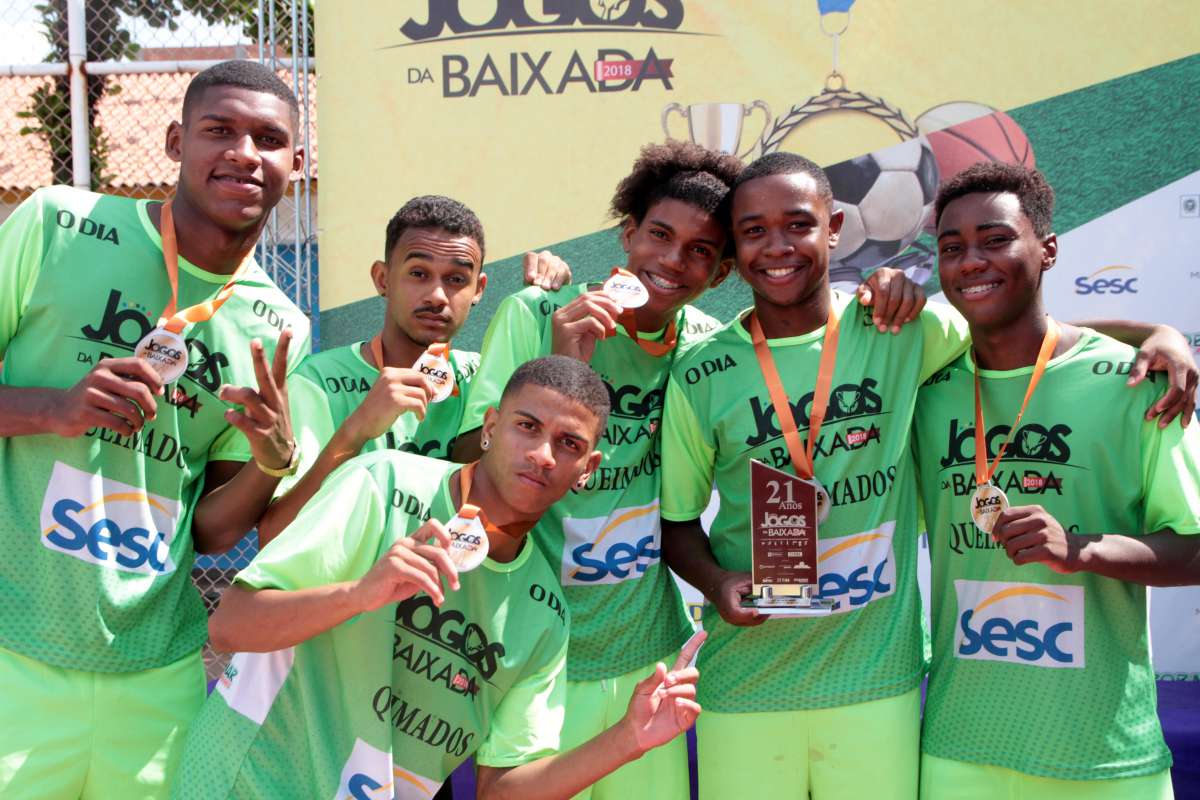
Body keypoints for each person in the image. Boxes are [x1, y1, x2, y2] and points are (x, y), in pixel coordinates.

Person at [659, 152, 1197, 800]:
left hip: (879, 685)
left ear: (834, 228)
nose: (778, 246)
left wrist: (1155, 333)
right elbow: (676, 519)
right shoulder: (701, 369)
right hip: (748, 680)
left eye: (798, 224)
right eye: (754, 230)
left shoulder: (901, 330)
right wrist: (716, 582)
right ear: (734, 246)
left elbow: (1019, 328)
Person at [454, 139, 924, 800]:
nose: (673, 260)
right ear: (628, 234)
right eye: (659, 235)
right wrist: (562, 368)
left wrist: (886, 287)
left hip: (648, 653)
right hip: (538, 645)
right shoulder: (536, 315)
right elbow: (463, 465)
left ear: (722, 270)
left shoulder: (705, 348)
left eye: (700, 250)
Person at [172, 355, 705, 800]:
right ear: (490, 428)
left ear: (588, 468)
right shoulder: (384, 482)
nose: (543, 455)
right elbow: (230, 626)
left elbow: (500, 790)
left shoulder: (544, 614)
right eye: (527, 426)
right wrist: (359, 594)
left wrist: (626, 738)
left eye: (569, 444)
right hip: (244, 785)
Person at [0, 60, 311, 799]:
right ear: (175, 141)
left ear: (295, 164)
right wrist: (53, 409)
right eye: (219, 130)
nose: (244, 153)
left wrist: (272, 461)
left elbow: (211, 532)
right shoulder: (56, 224)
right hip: (14, 647)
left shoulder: (279, 326)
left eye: (269, 140)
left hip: (156, 672)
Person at [911, 162, 1200, 799]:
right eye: (952, 247)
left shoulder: (1134, 382)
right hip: (960, 747)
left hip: (1103, 754)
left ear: (1047, 249)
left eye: (995, 239)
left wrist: (1081, 548)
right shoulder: (925, 390)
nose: (971, 261)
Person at [256, 195, 571, 544]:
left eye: (456, 279)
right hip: (354, 581)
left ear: (478, 289)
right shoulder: (318, 382)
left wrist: (548, 297)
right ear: (382, 279)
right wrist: (357, 429)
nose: (437, 295)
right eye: (419, 274)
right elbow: (274, 535)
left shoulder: (482, 377)